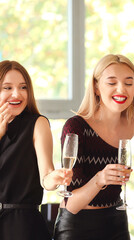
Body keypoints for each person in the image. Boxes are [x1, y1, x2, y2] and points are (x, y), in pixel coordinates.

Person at [53, 54, 134, 240]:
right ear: (97, 87)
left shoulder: (132, 123)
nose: (121, 89)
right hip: (78, 226)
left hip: (116, 221)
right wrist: (100, 179)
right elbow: (72, 204)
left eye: (129, 83)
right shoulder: (76, 127)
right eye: (112, 83)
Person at [0, 60, 73, 240]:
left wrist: (55, 178)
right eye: (7, 88)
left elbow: (46, 179)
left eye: (23, 87)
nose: (16, 94)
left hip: (22, 226)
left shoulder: (37, 124)